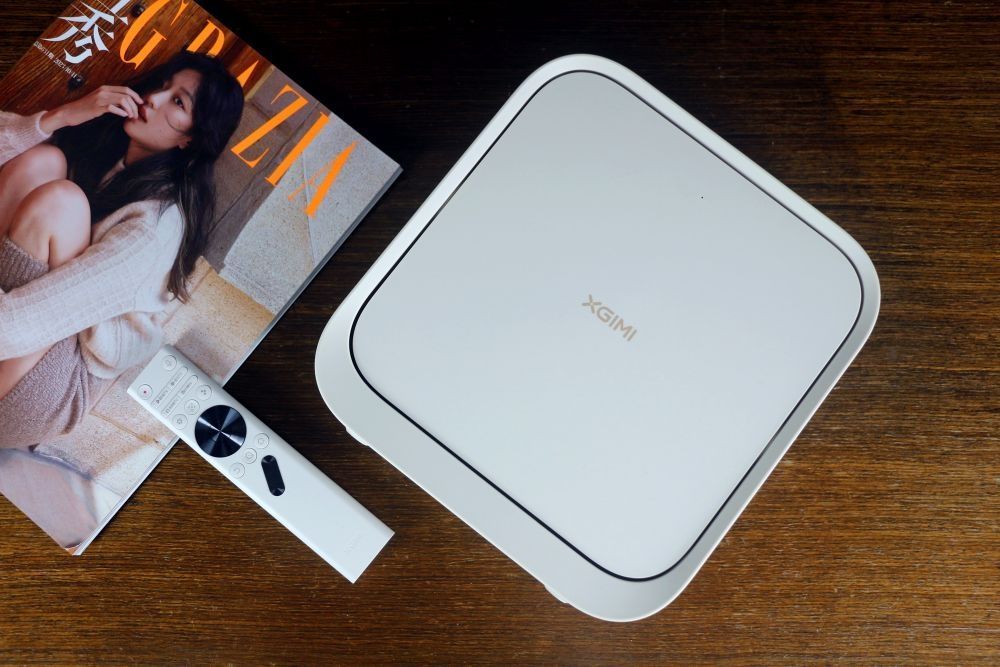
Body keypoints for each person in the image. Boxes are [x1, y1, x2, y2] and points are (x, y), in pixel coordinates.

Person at [0, 51, 244, 448]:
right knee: (43, 161)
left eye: (178, 102)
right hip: (23, 335)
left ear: (191, 139)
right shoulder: (105, 153)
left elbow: (29, 321)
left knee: (62, 203)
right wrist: (60, 117)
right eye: (162, 86)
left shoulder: (156, 228)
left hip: (39, 391)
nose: (153, 99)